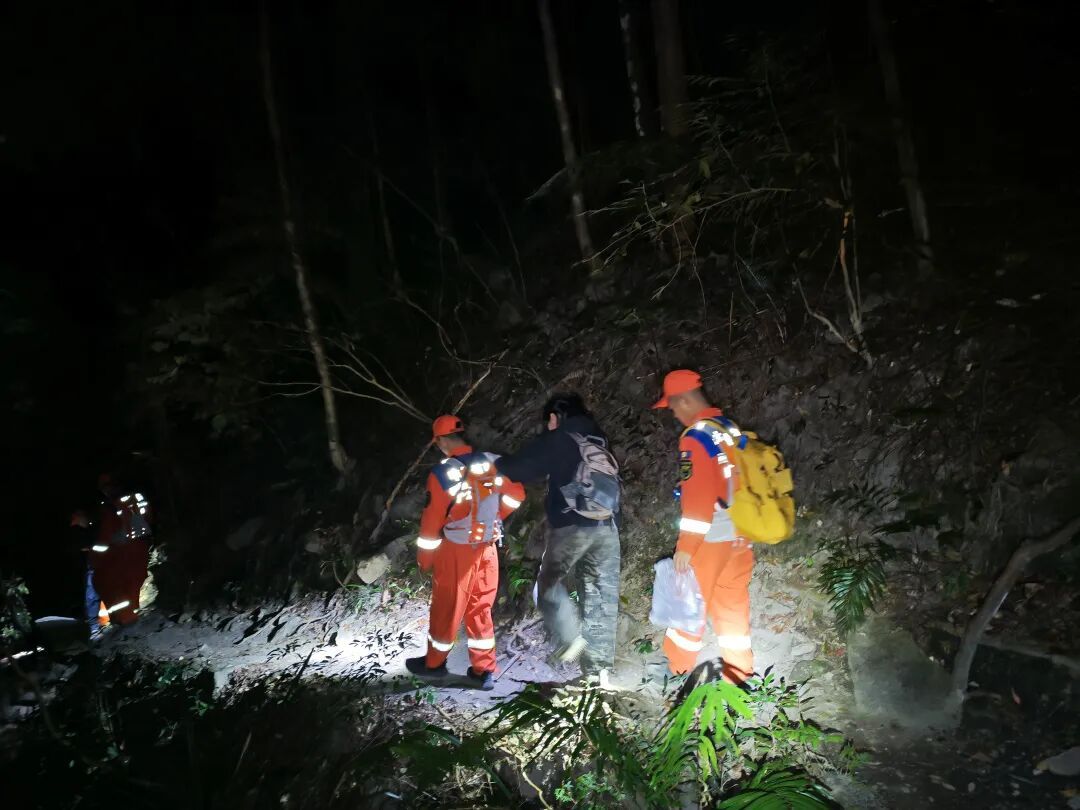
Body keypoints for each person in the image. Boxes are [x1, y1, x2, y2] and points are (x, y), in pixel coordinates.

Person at [495, 393, 621, 685]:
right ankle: (599, 674)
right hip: (608, 527)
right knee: (601, 597)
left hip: (571, 526)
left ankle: (569, 639)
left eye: (548, 420)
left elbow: (520, 469)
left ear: (556, 416)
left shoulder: (561, 437)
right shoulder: (598, 438)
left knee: (549, 586)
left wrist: (495, 461)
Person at [406, 415, 525, 690]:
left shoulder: (442, 473)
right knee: (480, 609)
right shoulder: (492, 461)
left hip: (457, 551)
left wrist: (425, 559)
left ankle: (434, 665)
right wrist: (497, 516)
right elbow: (517, 494)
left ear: (441, 441)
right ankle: (484, 671)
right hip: (488, 550)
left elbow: (432, 520)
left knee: (447, 607)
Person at [652, 369, 754, 684]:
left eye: (672, 407)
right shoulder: (729, 428)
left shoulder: (696, 438)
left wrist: (686, 547)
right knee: (733, 608)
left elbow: (697, 500)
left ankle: (677, 671)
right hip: (739, 537)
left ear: (684, 401)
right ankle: (739, 675)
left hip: (710, 540)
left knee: (687, 606)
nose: (674, 414)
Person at [91, 474, 152, 626]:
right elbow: (149, 518)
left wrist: (96, 557)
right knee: (133, 582)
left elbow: (107, 534)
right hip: (141, 544)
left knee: (112, 582)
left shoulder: (112, 505)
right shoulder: (136, 497)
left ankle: (125, 619)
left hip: (125, 548)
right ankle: (130, 616)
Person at [70, 510, 108, 638]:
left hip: (99, 565)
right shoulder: (80, 532)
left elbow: (99, 546)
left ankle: (103, 623)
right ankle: (95, 627)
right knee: (92, 596)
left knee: (97, 594)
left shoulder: (92, 529)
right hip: (92, 567)